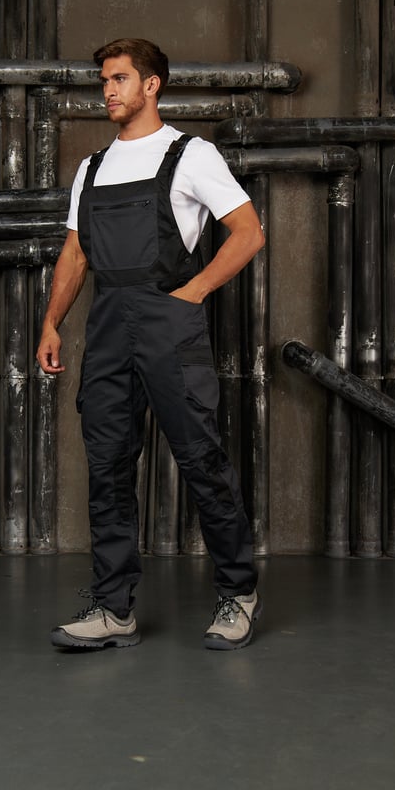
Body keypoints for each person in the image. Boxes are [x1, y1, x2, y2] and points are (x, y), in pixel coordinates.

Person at [36, 38, 265, 651]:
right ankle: (114, 609)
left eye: (118, 79)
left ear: (151, 85)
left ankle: (238, 594)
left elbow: (247, 233)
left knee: (201, 461)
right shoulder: (92, 168)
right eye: (103, 81)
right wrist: (52, 322)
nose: (107, 91)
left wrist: (193, 293)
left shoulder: (190, 154)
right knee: (108, 467)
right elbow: (75, 254)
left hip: (169, 326)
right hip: (108, 327)